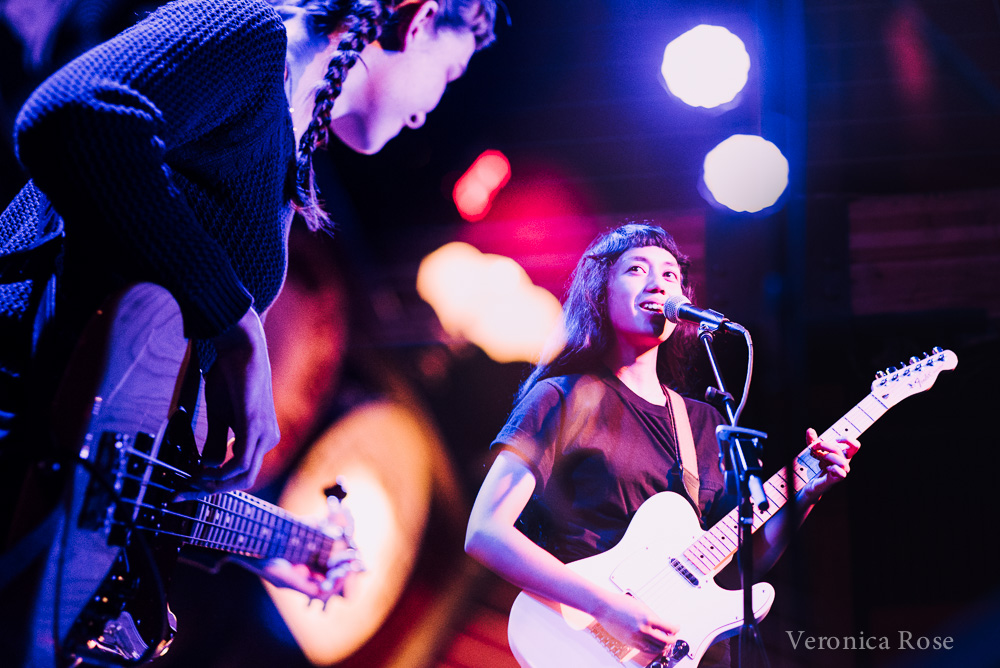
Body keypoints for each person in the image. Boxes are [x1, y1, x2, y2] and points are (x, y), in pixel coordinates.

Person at [0, 0, 496, 661]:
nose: (433, 106)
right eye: (451, 70)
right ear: (418, 19)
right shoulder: (251, 35)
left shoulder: (289, 166)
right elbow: (70, 114)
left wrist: (267, 547)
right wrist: (235, 319)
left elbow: (117, 457)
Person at [464, 223, 859, 667]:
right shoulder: (563, 397)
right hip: (583, 644)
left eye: (671, 274)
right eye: (637, 269)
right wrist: (605, 606)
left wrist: (806, 494)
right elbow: (485, 532)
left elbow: (739, 567)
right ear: (600, 292)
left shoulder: (705, 422)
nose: (659, 283)